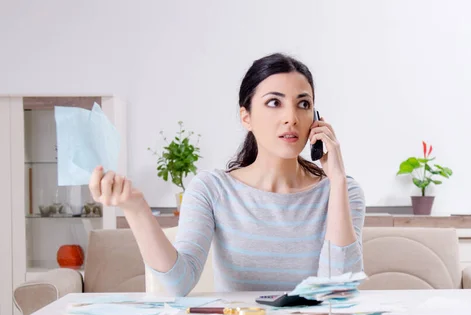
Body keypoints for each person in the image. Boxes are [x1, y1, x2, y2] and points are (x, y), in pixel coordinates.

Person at [88, 53, 366, 296]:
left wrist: (337, 181)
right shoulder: (212, 189)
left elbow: (339, 290)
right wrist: (135, 208)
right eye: (274, 103)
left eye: (303, 104)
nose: (291, 117)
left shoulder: (344, 192)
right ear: (246, 116)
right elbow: (178, 284)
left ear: (316, 118)